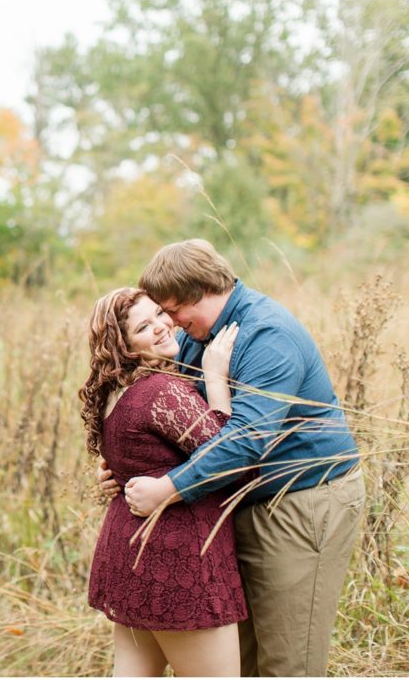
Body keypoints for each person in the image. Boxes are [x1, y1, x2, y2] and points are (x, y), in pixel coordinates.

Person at [100, 239, 365, 677]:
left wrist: (168, 488)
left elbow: (244, 443)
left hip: (301, 503)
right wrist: (128, 467)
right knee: (241, 661)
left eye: (170, 310)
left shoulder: (267, 336)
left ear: (196, 294)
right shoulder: (198, 336)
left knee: (287, 661)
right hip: (237, 506)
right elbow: (181, 421)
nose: (171, 323)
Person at [80, 286, 246, 677]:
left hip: (130, 554)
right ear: (125, 347)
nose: (160, 326)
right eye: (143, 326)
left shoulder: (120, 394)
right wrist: (215, 377)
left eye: (158, 313)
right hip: (177, 564)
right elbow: (228, 459)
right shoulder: (161, 391)